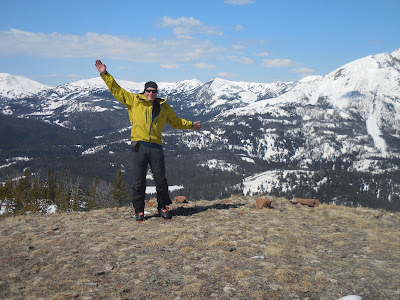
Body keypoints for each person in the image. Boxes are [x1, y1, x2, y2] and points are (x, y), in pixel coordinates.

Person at [95, 60, 201, 222]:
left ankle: (163, 207)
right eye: (148, 91)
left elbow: (175, 122)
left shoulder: (164, 107)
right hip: (139, 145)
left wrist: (192, 125)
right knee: (139, 180)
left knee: (161, 179)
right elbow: (116, 90)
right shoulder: (134, 101)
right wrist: (104, 74)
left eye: (153, 91)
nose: (151, 93)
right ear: (144, 92)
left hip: (156, 147)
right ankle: (139, 211)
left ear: (157, 92)